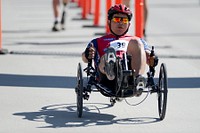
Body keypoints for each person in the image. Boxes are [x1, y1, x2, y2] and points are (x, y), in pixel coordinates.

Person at [82, 4, 157, 95]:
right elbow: (85, 59)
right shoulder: (98, 41)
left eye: (124, 20)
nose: (120, 23)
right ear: (109, 22)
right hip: (105, 77)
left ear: (128, 24)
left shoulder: (136, 41)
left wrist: (152, 58)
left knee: (137, 43)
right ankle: (110, 68)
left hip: (130, 74)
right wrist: (87, 54)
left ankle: (138, 80)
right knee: (108, 55)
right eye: (116, 19)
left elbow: (148, 58)